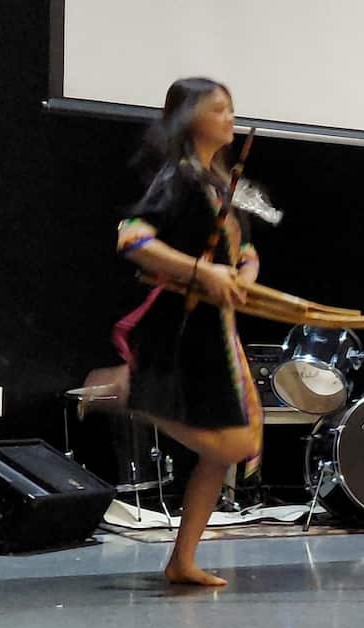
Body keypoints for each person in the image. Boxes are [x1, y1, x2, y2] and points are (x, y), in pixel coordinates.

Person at [110, 77, 262, 586]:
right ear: (190, 117)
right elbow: (132, 240)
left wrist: (240, 276)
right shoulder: (178, 177)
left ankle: (182, 561)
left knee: (225, 451)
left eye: (231, 108)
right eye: (218, 108)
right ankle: (129, 395)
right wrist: (202, 273)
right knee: (233, 445)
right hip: (181, 326)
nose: (229, 117)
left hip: (216, 327)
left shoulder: (222, 184)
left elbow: (245, 253)